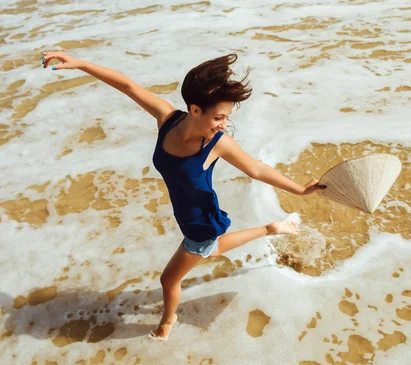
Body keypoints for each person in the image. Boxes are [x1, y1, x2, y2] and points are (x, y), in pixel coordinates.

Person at [40, 51, 326, 340]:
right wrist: (81, 64)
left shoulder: (217, 142)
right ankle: (271, 228)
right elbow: (128, 86)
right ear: (195, 109)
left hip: (200, 220)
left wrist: (301, 190)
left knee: (169, 278)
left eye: (226, 117)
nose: (223, 124)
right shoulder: (167, 119)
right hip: (187, 215)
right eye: (218, 117)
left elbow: (256, 168)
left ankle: (167, 323)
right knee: (211, 250)